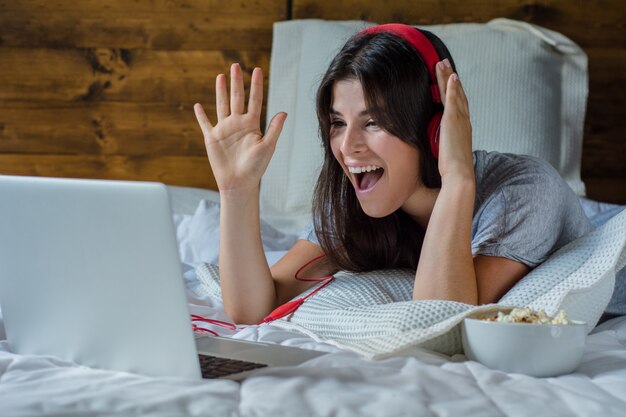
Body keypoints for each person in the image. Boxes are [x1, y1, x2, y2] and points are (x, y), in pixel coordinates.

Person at [193, 24, 592, 324]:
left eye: (373, 123)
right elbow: (253, 310)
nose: (347, 147)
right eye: (337, 122)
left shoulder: (523, 191)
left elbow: (441, 320)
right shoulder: (351, 206)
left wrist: (457, 179)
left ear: (432, 130)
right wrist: (237, 191)